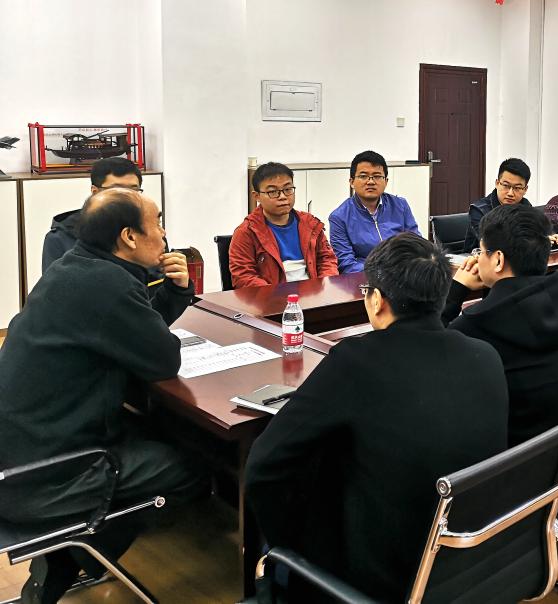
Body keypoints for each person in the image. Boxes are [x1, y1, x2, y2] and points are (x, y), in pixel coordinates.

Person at [245, 233, 509, 603]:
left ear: (376, 301)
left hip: (385, 578)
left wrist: (291, 543)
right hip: (468, 559)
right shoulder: (486, 356)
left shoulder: (356, 360)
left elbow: (263, 467)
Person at [0, 188, 206, 604]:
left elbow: (129, 328)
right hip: (48, 476)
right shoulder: (108, 284)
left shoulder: (74, 268)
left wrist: (174, 291)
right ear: (129, 236)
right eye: (157, 223)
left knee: (158, 427)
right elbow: (164, 359)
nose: (164, 234)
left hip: (18, 455)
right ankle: (75, 556)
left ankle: (70, 558)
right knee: (195, 465)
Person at [443, 204, 558, 446]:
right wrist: (494, 285)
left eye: (480, 251)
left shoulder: (476, 325)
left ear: (498, 259)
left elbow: (429, 351)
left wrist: (456, 290)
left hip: (514, 456)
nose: (477, 258)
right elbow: (511, 301)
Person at [228, 162, 339, 288]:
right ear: (256, 196)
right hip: (270, 297)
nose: (282, 197)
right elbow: (244, 277)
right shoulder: (246, 232)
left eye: (287, 190)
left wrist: (323, 288)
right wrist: (276, 294)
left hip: (313, 294)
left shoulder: (310, 224)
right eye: (273, 192)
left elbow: (327, 259)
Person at [41, 157, 143, 272]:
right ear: (95, 192)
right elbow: (56, 282)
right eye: (117, 191)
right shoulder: (60, 238)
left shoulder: (148, 231)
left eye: (133, 191)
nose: (127, 198)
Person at [329, 150, 420, 273]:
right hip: (365, 278)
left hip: (403, 273)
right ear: (352, 182)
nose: (370, 182)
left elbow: (416, 244)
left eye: (377, 176)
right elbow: (346, 264)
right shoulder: (339, 217)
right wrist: (383, 273)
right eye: (363, 176)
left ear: (386, 181)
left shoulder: (400, 205)